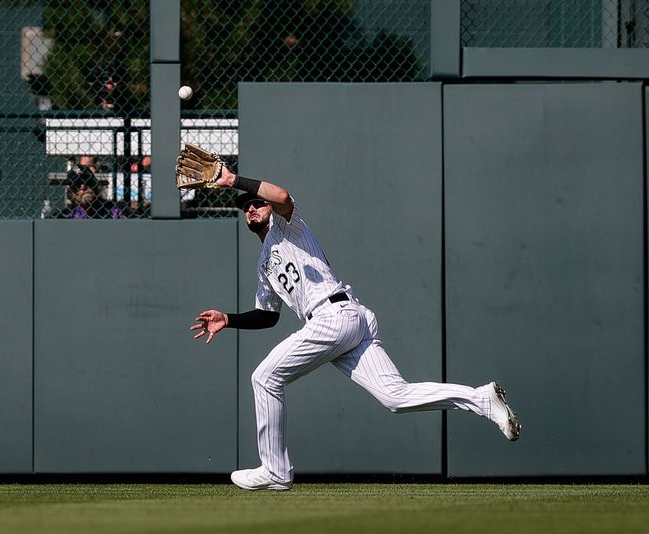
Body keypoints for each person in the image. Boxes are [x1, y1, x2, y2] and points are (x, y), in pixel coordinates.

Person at [190, 166, 521, 492]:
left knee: (264, 378)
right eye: (245, 207)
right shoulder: (263, 265)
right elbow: (267, 316)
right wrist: (229, 319)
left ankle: (276, 471)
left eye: (256, 203)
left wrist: (233, 181)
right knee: (396, 397)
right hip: (347, 321)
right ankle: (480, 399)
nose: (251, 208)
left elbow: (282, 196)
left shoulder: (288, 227)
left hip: (332, 315)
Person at [56, 164, 123, 219]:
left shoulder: (113, 212)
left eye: (87, 181)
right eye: (77, 184)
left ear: (95, 184)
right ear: (72, 192)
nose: (83, 187)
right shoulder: (68, 216)